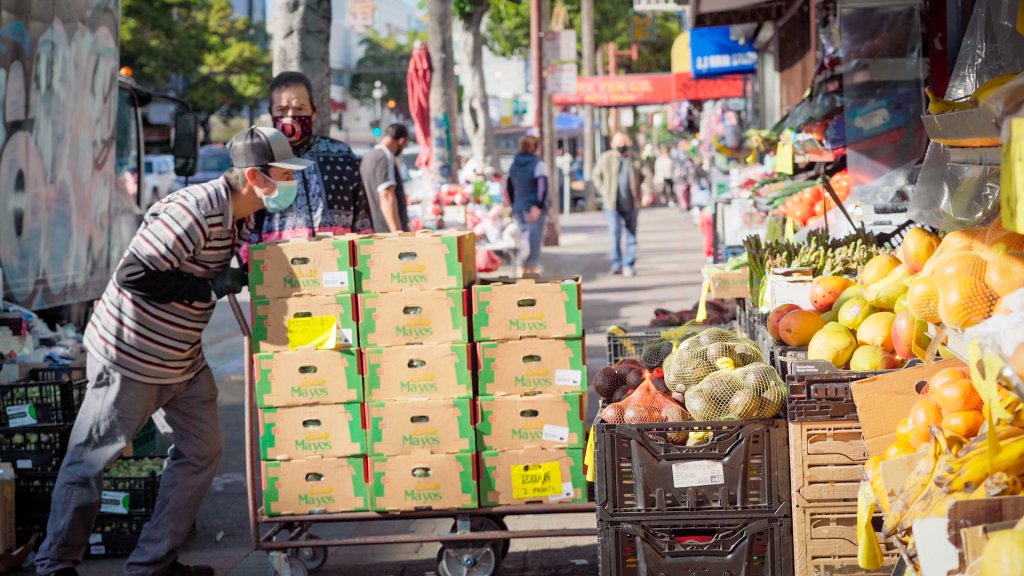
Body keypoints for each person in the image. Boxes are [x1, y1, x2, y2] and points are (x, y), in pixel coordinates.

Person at [34, 127, 312, 576]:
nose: (290, 185)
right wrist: (205, 286)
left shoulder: (239, 215)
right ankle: (55, 563)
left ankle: (153, 561)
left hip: (181, 357)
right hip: (132, 354)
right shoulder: (194, 210)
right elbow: (133, 275)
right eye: (283, 175)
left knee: (202, 450)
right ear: (256, 178)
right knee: (91, 458)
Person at [252, 71, 372, 245]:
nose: (291, 116)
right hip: (280, 264)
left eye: (299, 108)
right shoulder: (260, 160)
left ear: (313, 112)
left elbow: (361, 217)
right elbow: (248, 225)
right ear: (271, 113)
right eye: (282, 109)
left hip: (338, 260)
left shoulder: (341, 155)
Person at [592, 132, 643, 277]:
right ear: (613, 145)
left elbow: (646, 174)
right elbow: (596, 175)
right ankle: (616, 264)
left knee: (631, 235)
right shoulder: (606, 158)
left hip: (632, 203)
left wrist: (645, 192)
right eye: (618, 144)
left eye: (624, 144)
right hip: (612, 204)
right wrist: (603, 191)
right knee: (615, 233)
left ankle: (628, 264)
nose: (621, 147)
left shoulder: (634, 158)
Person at [506, 135, 549, 277]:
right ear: (536, 147)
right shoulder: (538, 164)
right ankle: (532, 277)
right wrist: (538, 205)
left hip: (519, 207)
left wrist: (514, 204)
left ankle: (521, 273)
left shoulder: (514, 164)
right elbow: (542, 187)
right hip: (533, 209)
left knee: (522, 242)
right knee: (534, 244)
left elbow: (509, 187)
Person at [360, 123, 411, 232]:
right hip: (387, 231)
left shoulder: (368, 157)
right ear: (401, 141)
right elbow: (386, 194)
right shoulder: (385, 156)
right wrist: (397, 231)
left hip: (375, 228)